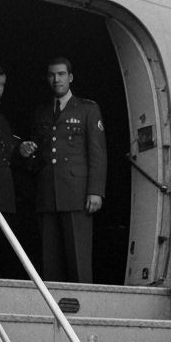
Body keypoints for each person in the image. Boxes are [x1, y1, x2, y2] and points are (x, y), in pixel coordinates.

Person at [30, 57, 106, 283]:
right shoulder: (41, 112)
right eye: (52, 75)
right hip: (47, 194)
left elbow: (98, 153)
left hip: (76, 194)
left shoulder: (87, 109)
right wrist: (25, 151)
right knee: (50, 263)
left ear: (70, 77)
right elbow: (39, 155)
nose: (56, 79)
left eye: (61, 74)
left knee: (78, 262)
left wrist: (95, 191)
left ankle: (82, 315)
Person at [0, 66, 37, 279]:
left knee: (0, 254)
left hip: (5, 197)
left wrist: (21, 151)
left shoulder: (3, 121)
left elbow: (9, 154)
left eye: (0, 85)